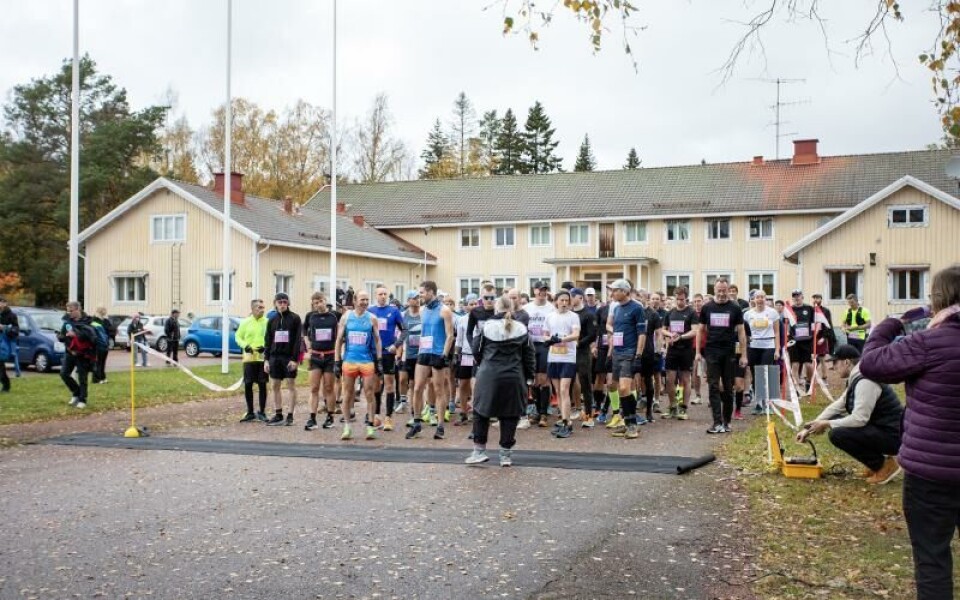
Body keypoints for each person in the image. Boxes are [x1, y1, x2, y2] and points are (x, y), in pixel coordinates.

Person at [859, 264, 960, 600]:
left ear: (937, 299)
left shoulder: (928, 341)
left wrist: (892, 324)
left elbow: (872, 363)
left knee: (932, 559)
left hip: (931, 473)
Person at [798, 344, 903, 483]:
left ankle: (884, 466)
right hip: (884, 430)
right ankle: (876, 464)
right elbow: (838, 405)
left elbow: (860, 419)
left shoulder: (866, 381)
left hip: (894, 437)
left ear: (846, 362)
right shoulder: (858, 376)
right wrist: (810, 427)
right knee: (835, 421)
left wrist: (827, 424)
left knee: (838, 434)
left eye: (835, 363)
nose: (832, 367)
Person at [465, 295, 535, 467]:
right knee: (510, 414)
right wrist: (529, 377)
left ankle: (479, 451)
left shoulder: (487, 326)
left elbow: (476, 349)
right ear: (511, 309)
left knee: (481, 412)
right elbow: (529, 355)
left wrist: (484, 364)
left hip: (489, 375)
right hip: (514, 375)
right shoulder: (521, 328)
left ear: (496, 309)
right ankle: (505, 455)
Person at [699, 278, 748, 434]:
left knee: (728, 388)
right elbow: (701, 330)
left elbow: (741, 332)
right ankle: (716, 422)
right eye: (719, 290)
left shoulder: (735, 308)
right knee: (713, 386)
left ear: (728, 290)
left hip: (729, 352)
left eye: (724, 290)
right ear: (715, 290)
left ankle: (726, 421)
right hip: (712, 351)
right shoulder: (707, 308)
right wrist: (697, 353)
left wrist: (743, 355)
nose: (721, 293)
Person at [408, 280, 454, 440]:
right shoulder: (422, 310)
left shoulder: (445, 310)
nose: (419, 295)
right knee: (417, 388)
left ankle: (440, 426)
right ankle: (416, 423)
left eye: (421, 293)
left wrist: (444, 355)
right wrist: (419, 349)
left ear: (430, 292)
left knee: (438, 389)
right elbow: (423, 332)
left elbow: (450, 335)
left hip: (438, 353)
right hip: (424, 352)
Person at [334, 291, 382, 440]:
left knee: (369, 393)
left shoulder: (372, 318)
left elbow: (378, 340)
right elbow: (339, 340)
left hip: (366, 361)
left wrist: (379, 360)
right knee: (348, 394)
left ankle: (370, 426)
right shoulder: (346, 317)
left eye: (367, 300)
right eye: (362, 299)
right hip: (349, 360)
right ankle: (347, 426)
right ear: (355, 301)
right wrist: (337, 360)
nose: (365, 302)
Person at [605, 279, 647, 439]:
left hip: (629, 353)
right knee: (618, 388)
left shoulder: (637, 308)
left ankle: (632, 425)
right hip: (617, 352)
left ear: (624, 291)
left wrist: (638, 355)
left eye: (615, 290)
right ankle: (627, 421)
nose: (612, 293)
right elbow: (614, 331)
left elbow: (642, 334)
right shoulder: (616, 308)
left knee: (624, 388)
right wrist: (610, 353)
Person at [543, 290, 581, 438]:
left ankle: (567, 422)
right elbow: (544, 335)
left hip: (568, 357)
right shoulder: (550, 317)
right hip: (553, 357)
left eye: (567, 300)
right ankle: (563, 418)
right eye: (562, 300)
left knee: (565, 389)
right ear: (556, 301)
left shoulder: (574, 317)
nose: (564, 303)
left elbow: (576, 334)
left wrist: (561, 339)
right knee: (558, 391)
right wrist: (550, 339)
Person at [263, 292, 302, 426]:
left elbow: (297, 341)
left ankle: (290, 415)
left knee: (291, 385)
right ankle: (278, 413)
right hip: (274, 357)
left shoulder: (295, 318)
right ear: (275, 304)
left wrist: (294, 359)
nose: (282, 304)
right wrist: (266, 360)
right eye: (279, 302)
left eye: (285, 302)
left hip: (288, 358)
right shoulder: (271, 320)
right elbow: (267, 340)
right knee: (275, 385)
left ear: (288, 303)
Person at [303, 292, 340, 430]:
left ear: (325, 301)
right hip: (316, 356)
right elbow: (304, 330)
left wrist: (339, 352)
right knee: (314, 388)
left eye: (321, 301)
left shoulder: (334, 316)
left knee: (329, 387)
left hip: (330, 356)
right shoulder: (310, 316)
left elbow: (342, 332)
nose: (318, 304)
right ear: (313, 304)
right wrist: (308, 344)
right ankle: (312, 418)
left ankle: (330, 417)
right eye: (315, 302)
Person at [369, 286, 404, 430]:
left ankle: (388, 417)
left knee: (389, 384)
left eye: (385, 294)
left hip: (388, 353)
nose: (383, 296)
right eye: (380, 294)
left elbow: (405, 330)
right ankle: (376, 415)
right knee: (376, 385)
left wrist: (396, 345)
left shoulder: (394, 311)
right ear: (376, 296)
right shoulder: (370, 311)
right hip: (374, 353)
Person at [661, 286, 699, 420]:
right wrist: (670, 334)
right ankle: (672, 407)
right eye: (677, 299)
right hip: (672, 350)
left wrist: (680, 337)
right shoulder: (670, 313)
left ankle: (683, 408)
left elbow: (695, 331)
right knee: (670, 380)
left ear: (686, 298)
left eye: (682, 299)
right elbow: (663, 330)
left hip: (686, 350)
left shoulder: (692, 313)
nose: (679, 302)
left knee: (685, 379)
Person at [743, 290, 781, 415]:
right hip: (753, 345)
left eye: (762, 297)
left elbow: (776, 332)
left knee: (766, 372)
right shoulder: (748, 314)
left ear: (766, 299)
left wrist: (777, 349)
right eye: (757, 297)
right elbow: (745, 333)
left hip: (769, 344)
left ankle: (769, 403)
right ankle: (758, 403)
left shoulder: (772, 313)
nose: (759, 299)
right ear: (753, 299)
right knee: (755, 374)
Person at [526, 281, 556, 427]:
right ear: (534, 290)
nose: (542, 292)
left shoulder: (551, 308)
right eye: (540, 290)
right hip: (530, 346)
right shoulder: (527, 308)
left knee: (544, 379)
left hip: (545, 345)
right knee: (533, 380)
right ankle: (537, 411)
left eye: (545, 290)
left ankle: (544, 413)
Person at [235, 299, 269, 422]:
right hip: (249, 358)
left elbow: (271, 337)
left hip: (262, 358)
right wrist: (245, 346)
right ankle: (250, 412)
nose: (262, 309)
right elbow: (238, 336)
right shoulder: (245, 322)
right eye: (259, 307)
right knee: (248, 384)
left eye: (263, 307)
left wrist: (265, 347)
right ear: (253, 309)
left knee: (262, 384)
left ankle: (262, 412)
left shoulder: (267, 322)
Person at [58, 301, 96, 409]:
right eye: (68, 311)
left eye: (71, 311)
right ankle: (76, 392)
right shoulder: (67, 322)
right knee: (64, 374)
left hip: (83, 354)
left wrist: (76, 335)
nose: (69, 313)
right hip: (69, 352)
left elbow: (92, 337)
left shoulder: (88, 321)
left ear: (78, 309)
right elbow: (62, 335)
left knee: (82, 378)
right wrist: (61, 337)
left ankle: (82, 399)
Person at [570, 288, 598, 427]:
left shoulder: (588, 314)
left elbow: (592, 335)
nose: (569, 299)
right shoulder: (568, 314)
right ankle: (570, 412)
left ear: (580, 297)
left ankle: (589, 415)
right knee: (567, 382)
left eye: (572, 296)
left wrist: (578, 343)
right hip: (567, 352)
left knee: (585, 383)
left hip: (582, 352)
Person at [395, 290, 422, 415]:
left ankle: (414, 407)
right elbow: (399, 334)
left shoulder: (423, 314)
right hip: (406, 351)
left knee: (413, 383)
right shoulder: (403, 314)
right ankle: (403, 402)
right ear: (408, 301)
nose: (417, 300)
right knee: (402, 379)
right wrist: (398, 351)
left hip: (420, 352)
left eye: (418, 298)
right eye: (414, 298)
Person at [788, 290, 815, 390]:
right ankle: (796, 387)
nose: (796, 298)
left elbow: (814, 323)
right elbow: (786, 323)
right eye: (794, 296)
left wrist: (814, 334)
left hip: (807, 341)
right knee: (795, 364)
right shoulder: (790, 309)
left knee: (808, 364)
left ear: (802, 297)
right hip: (794, 341)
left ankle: (809, 382)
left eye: (798, 296)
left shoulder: (809, 308)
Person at [0, 296, 19, 392]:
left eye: (2, 302)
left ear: (5, 303)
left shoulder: (11, 315)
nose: (1, 304)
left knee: (0, 365)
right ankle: (5, 384)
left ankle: (6, 385)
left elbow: (16, 330)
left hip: (4, 343)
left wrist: (4, 328)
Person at [90, 307, 112, 384]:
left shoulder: (105, 321)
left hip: (105, 344)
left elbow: (110, 330)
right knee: (98, 362)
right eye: (103, 310)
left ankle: (102, 377)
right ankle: (96, 379)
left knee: (103, 362)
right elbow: (93, 333)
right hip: (97, 345)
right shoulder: (94, 321)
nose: (105, 312)